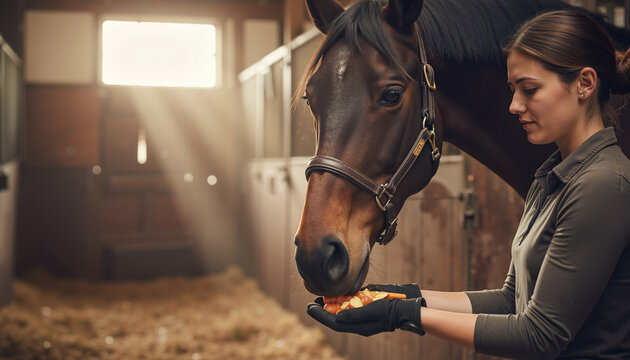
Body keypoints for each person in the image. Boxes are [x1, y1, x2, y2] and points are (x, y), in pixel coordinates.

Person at [307, 10, 630, 359]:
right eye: (512, 89)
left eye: (529, 89)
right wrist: (398, 297)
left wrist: (403, 315)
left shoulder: (604, 184)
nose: (514, 105)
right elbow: (512, 299)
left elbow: (539, 335)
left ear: (585, 84)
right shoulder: (551, 178)